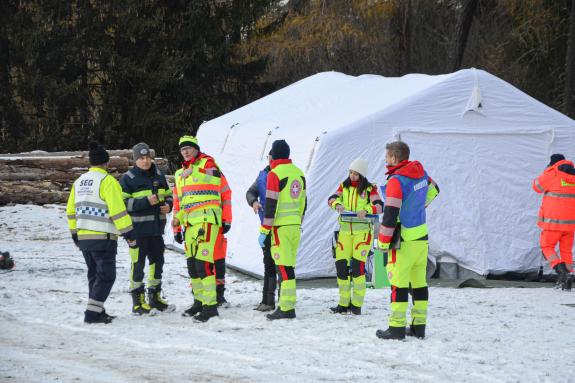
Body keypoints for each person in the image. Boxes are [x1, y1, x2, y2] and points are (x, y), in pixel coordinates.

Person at [375, 141, 439, 340]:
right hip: (422, 238)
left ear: (394, 158)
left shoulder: (396, 180)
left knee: (398, 284)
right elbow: (435, 189)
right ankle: (419, 327)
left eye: (387, 157)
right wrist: (418, 207)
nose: (386, 160)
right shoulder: (421, 172)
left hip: (404, 241)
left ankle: (395, 328)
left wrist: (383, 241)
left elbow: (390, 213)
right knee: (419, 284)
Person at [66, 142, 135, 324]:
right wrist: (128, 234)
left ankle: (98, 311)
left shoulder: (79, 182)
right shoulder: (108, 181)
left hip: (84, 238)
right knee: (106, 276)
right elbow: (117, 211)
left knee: (95, 275)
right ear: (106, 163)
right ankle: (91, 312)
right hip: (102, 237)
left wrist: (75, 234)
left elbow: (70, 211)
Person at [172, 135, 232, 322]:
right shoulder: (179, 175)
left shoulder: (207, 163)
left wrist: (227, 218)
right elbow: (179, 202)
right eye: (183, 149)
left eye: (189, 148)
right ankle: (199, 302)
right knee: (192, 267)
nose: (186, 151)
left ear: (196, 149)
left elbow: (220, 184)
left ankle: (211, 306)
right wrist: (176, 225)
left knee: (203, 265)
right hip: (189, 224)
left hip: (207, 220)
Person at [120, 142, 174, 315]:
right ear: (135, 160)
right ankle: (138, 301)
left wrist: (169, 206)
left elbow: (169, 195)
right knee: (138, 264)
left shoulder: (159, 175)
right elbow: (122, 204)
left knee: (157, 263)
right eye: (141, 158)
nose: (145, 161)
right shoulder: (128, 178)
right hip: (137, 231)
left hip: (157, 230)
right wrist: (145, 202)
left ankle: (155, 297)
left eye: (147, 158)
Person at [327, 158, 383, 315]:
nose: (352, 176)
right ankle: (343, 304)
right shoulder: (343, 186)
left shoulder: (370, 189)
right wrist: (337, 205)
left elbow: (379, 206)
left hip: (362, 234)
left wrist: (367, 209)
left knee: (358, 269)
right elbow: (331, 199)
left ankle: (356, 305)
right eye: (350, 172)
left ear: (362, 176)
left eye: (356, 174)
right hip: (344, 233)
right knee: (341, 268)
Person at [259, 140, 307, 320]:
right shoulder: (299, 173)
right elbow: (304, 202)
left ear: (274, 154)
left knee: (284, 268)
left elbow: (271, 205)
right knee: (289, 267)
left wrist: (265, 230)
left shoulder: (275, 173)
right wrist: (297, 221)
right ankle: (288, 305)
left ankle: (286, 308)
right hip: (295, 226)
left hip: (280, 228)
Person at [532, 153, 575, 291]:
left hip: (553, 222)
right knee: (566, 251)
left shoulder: (553, 173)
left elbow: (536, 187)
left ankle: (561, 272)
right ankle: (568, 277)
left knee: (546, 246)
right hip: (570, 223)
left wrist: (547, 170)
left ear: (552, 163)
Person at [246, 151, 276, 311]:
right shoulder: (262, 175)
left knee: (281, 265)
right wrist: (254, 202)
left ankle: (284, 302)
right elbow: (250, 192)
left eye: (273, 159)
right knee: (268, 263)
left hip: (282, 228)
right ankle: (268, 300)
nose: (270, 161)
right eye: (269, 159)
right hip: (266, 227)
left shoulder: (283, 175)